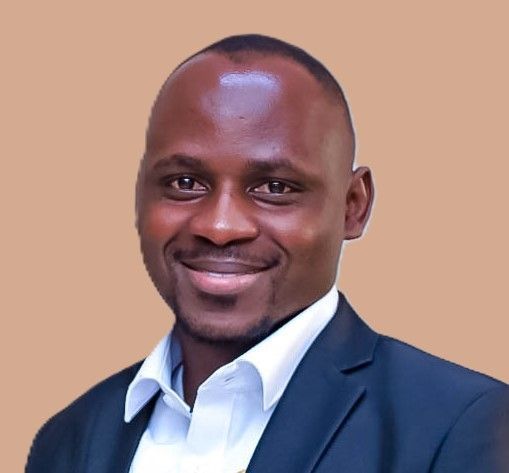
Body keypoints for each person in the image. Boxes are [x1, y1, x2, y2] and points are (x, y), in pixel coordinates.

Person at [26, 34, 509, 473]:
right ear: (140, 196)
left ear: (353, 207)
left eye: (275, 188)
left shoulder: (464, 425)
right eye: (185, 183)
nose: (219, 227)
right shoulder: (69, 439)